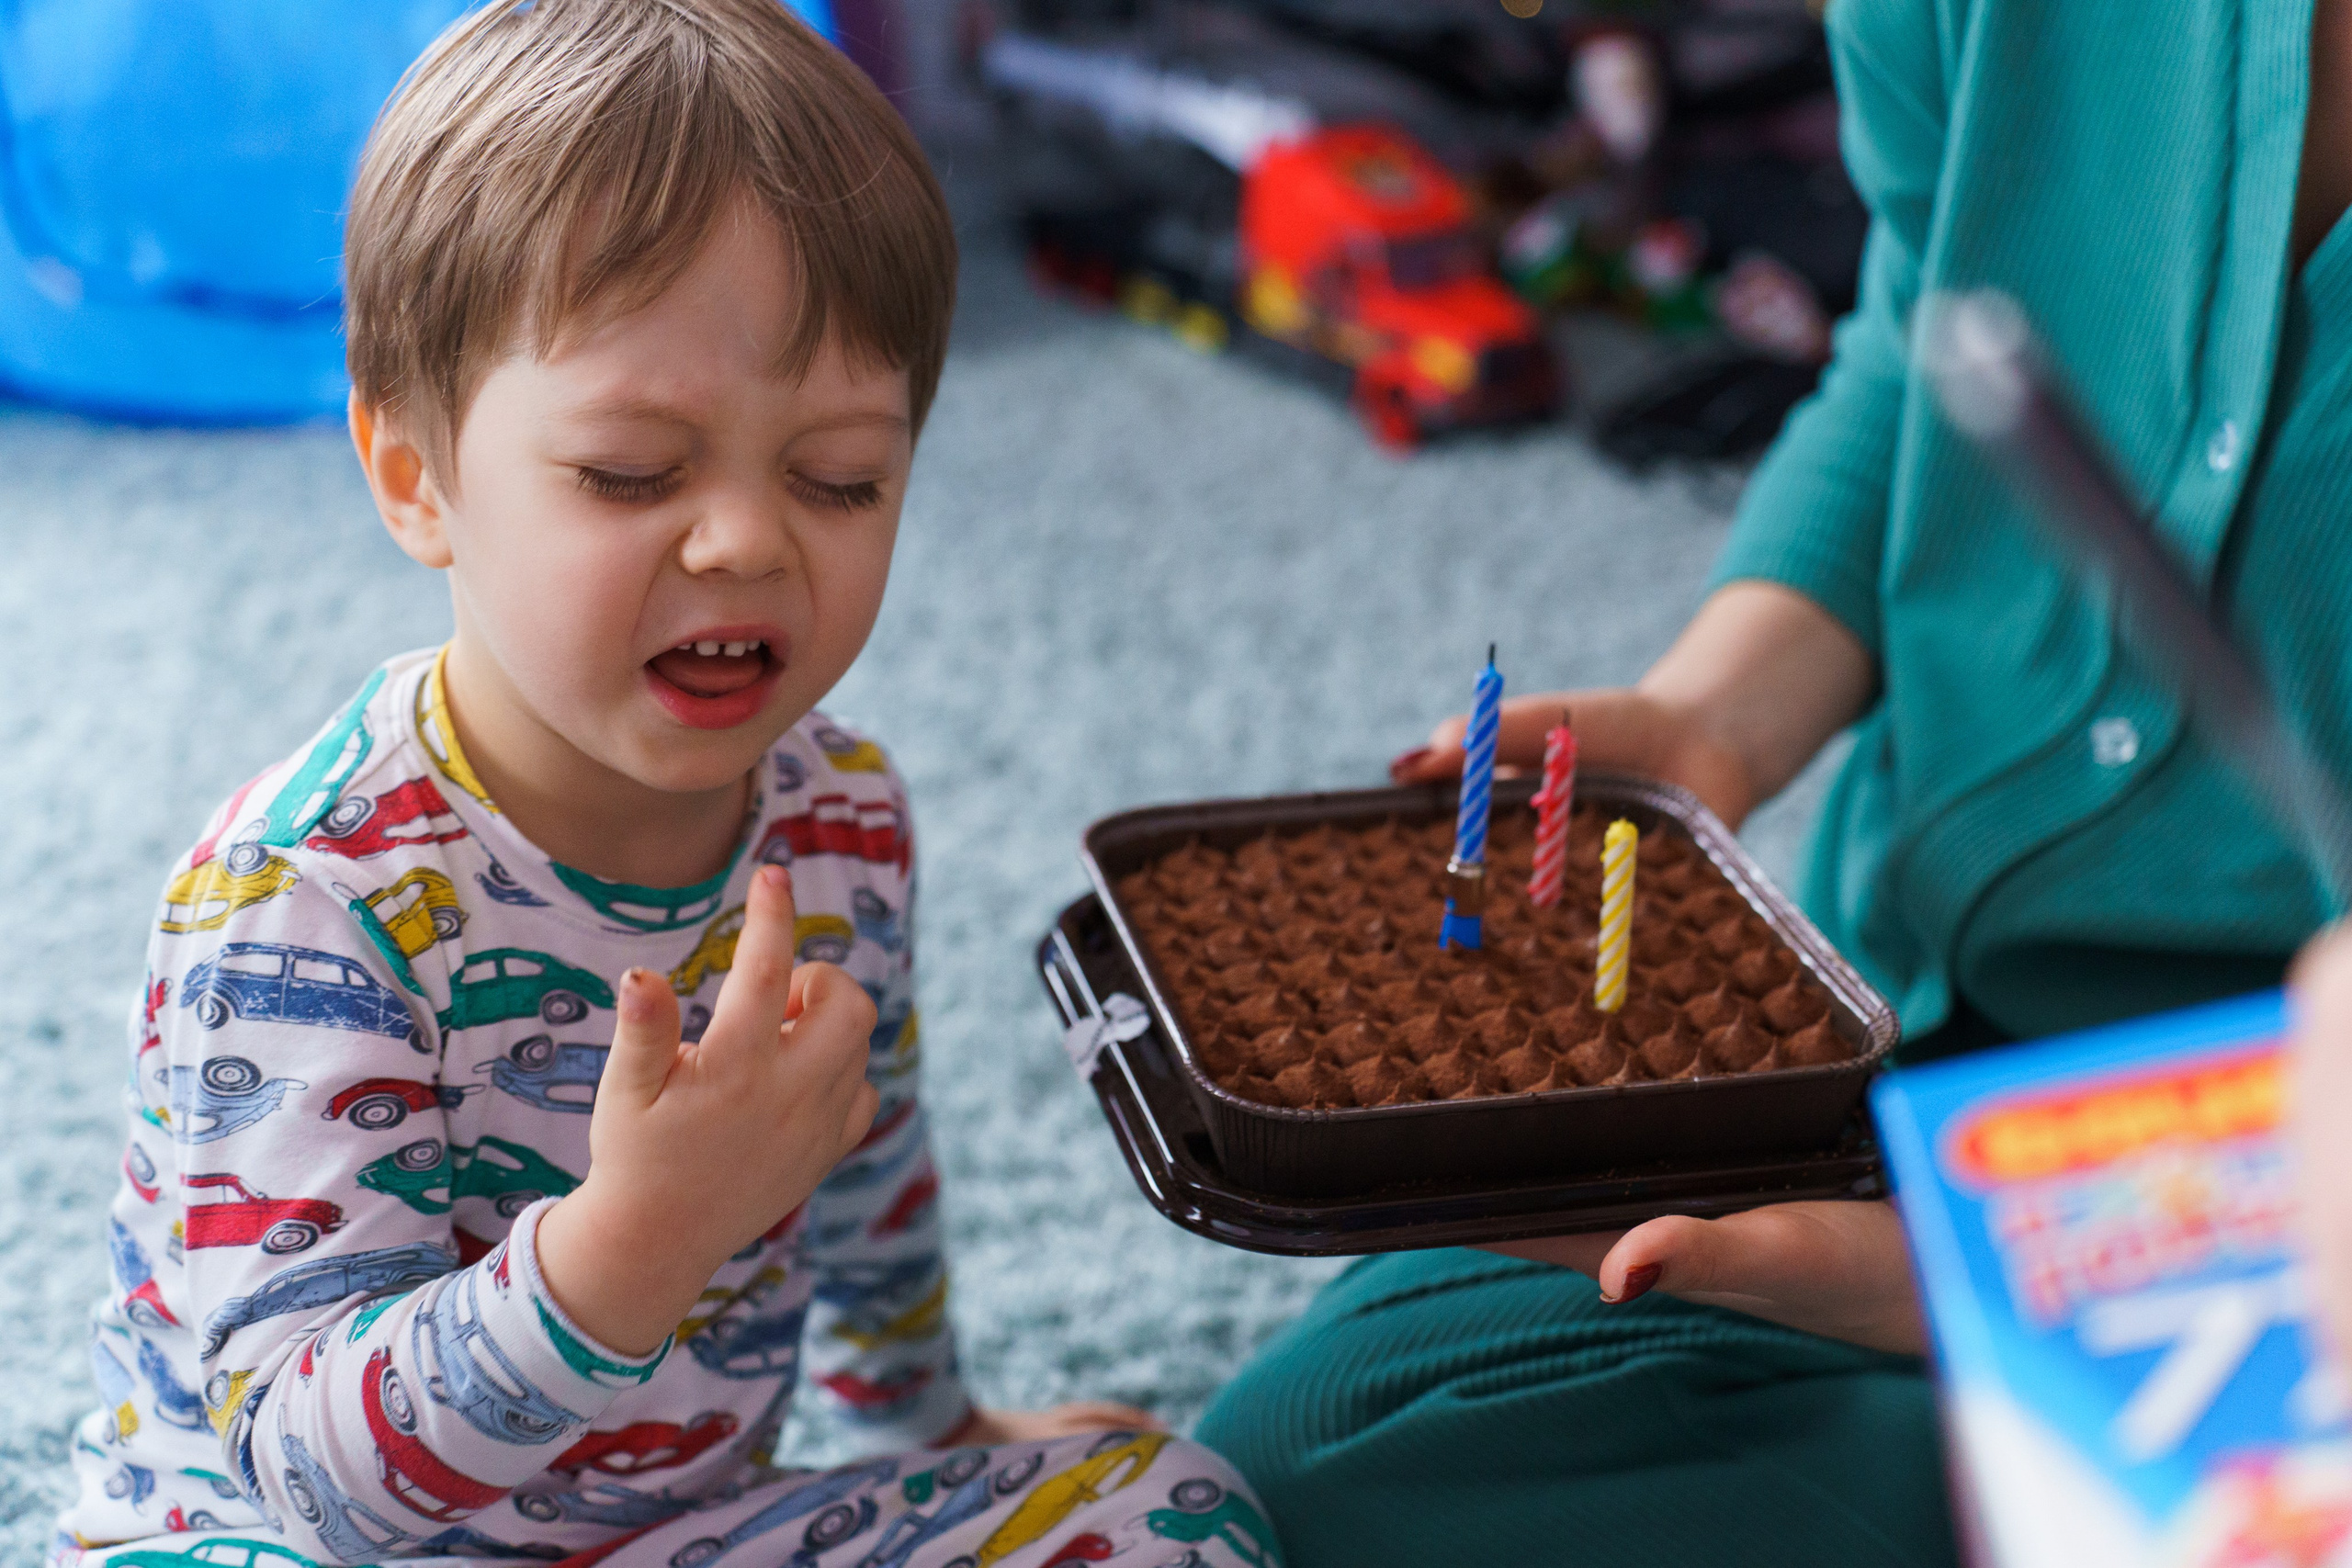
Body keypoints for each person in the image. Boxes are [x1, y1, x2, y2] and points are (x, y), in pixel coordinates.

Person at [53, 4, 1275, 1563]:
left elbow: (863, 1152)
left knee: (1175, 1513)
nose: (747, 541)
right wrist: (638, 1242)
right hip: (285, 1541)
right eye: (632, 473)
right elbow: (313, 1479)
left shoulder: (843, 820)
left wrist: (927, 1425)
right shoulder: (304, 902)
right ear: (416, 474)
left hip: (665, 1536)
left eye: (840, 478)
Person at [1196, 0, 2352, 1561]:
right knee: (1325, 1458)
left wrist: (1974, 1270)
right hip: (1910, 1068)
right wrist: (1715, 719)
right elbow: (1921, 330)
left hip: (2284, 1179)